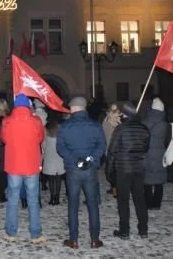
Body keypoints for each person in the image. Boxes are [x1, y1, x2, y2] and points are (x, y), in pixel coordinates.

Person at [57, 96, 106, 249]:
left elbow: (61, 148)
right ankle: (94, 239)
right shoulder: (95, 125)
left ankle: (74, 239)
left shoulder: (65, 126)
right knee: (93, 204)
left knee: (73, 204)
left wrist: (75, 159)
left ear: (74, 108)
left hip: (73, 169)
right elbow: (101, 146)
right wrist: (90, 159)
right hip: (90, 169)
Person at [0, 94, 47, 244]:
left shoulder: (7, 121)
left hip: (14, 165)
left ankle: (11, 233)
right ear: (28, 106)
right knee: (33, 200)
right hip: (31, 165)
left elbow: (4, 139)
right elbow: (40, 138)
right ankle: (35, 234)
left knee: (13, 200)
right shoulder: (36, 121)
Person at [106, 101, 150, 239]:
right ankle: (143, 229)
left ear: (125, 114)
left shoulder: (121, 129)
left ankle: (124, 230)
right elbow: (146, 148)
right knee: (140, 199)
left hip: (123, 169)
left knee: (123, 200)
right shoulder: (144, 128)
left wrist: (109, 171)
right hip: (139, 168)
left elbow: (112, 151)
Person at [142, 97, 168, 210]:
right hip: (159, 154)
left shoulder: (144, 122)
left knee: (147, 179)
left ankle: (147, 203)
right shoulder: (165, 124)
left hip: (146, 153)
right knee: (159, 180)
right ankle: (156, 204)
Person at [43, 121, 65, 206]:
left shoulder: (46, 140)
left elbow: (43, 148)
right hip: (59, 163)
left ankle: (52, 197)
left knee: (51, 181)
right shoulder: (60, 139)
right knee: (58, 181)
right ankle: (57, 197)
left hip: (49, 162)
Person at [102, 104, 122, 196]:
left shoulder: (120, 122)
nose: (115, 113)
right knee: (110, 171)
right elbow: (106, 137)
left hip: (119, 150)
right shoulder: (106, 123)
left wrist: (120, 123)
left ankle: (116, 189)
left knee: (116, 171)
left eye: (116, 111)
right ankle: (113, 187)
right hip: (109, 150)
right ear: (109, 112)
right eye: (113, 111)